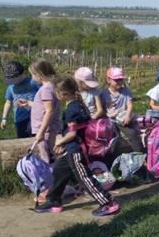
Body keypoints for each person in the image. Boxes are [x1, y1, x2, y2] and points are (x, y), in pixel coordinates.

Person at [34, 75, 120, 216]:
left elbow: (72, 134)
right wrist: (64, 144)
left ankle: (108, 203)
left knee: (85, 178)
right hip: (71, 148)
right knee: (59, 172)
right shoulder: (79, 105)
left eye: (56, 92)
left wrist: (60, 142)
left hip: (75, 150)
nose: (55, 95)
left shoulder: (70, 111)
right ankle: (54, 200)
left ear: (63, 94)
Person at [101, 67, 141, 152]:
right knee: (113, 138)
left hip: (122, 119)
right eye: (116, 80)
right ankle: (113, 156)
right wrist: (107, 114)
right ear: (108, 80)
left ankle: (140, 154)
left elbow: (130, 105)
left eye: (121, 79)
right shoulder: (104, 94)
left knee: (132, 134)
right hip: (109, 120)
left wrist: (127, 116)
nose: (119, 82)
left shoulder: (126, 91)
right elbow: (101, 109)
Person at [29, 60, 62, 163]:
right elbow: (45, 107)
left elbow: (49, 111)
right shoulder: (52, 87)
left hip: (45, 130)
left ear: (39, 75)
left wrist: (41, 132)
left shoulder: (46, 89)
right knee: (49, 154)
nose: (32, 78)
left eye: (33, 75)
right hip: (49, 128)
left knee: (46, 157)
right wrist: (29, 103)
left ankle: (49, 177)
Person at [1, 60, 39, 138]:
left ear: (22, 74)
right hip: (19, 120)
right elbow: (8, 102)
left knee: (35, 138)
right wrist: (4, 118)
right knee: (22, 139)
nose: (12, 82)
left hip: (33, 117)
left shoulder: (33, 82)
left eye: (14, 79)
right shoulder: (11, 87)